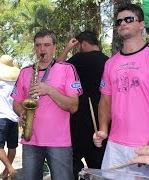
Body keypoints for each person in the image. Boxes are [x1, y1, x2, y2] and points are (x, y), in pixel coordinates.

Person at [11, 29, 82, 180]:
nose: (42, 49)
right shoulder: (25, 72)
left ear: (55, 47)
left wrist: (49, 90)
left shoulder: (67, 69)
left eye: (47, 45)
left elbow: (74, 106)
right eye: (38, 45)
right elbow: (16, 103)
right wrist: (22, 113)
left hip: (59, 142)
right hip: (30, 140)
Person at [93, 3, 149, 176]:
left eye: (128, 19)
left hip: (145, 146)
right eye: (119, 22)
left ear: (141, 24)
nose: (123, 23)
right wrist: (103, 129)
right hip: (115, 145)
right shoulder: (110, 63)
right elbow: (105, 99)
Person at [58, 30, 108, 179]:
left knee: (73, 158)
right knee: (99, 163)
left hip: (78, 119)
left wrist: (67, 48)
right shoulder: (109, 61)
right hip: (102, 119)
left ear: (83, 44)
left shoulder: (78, 59)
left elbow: (57, 68)